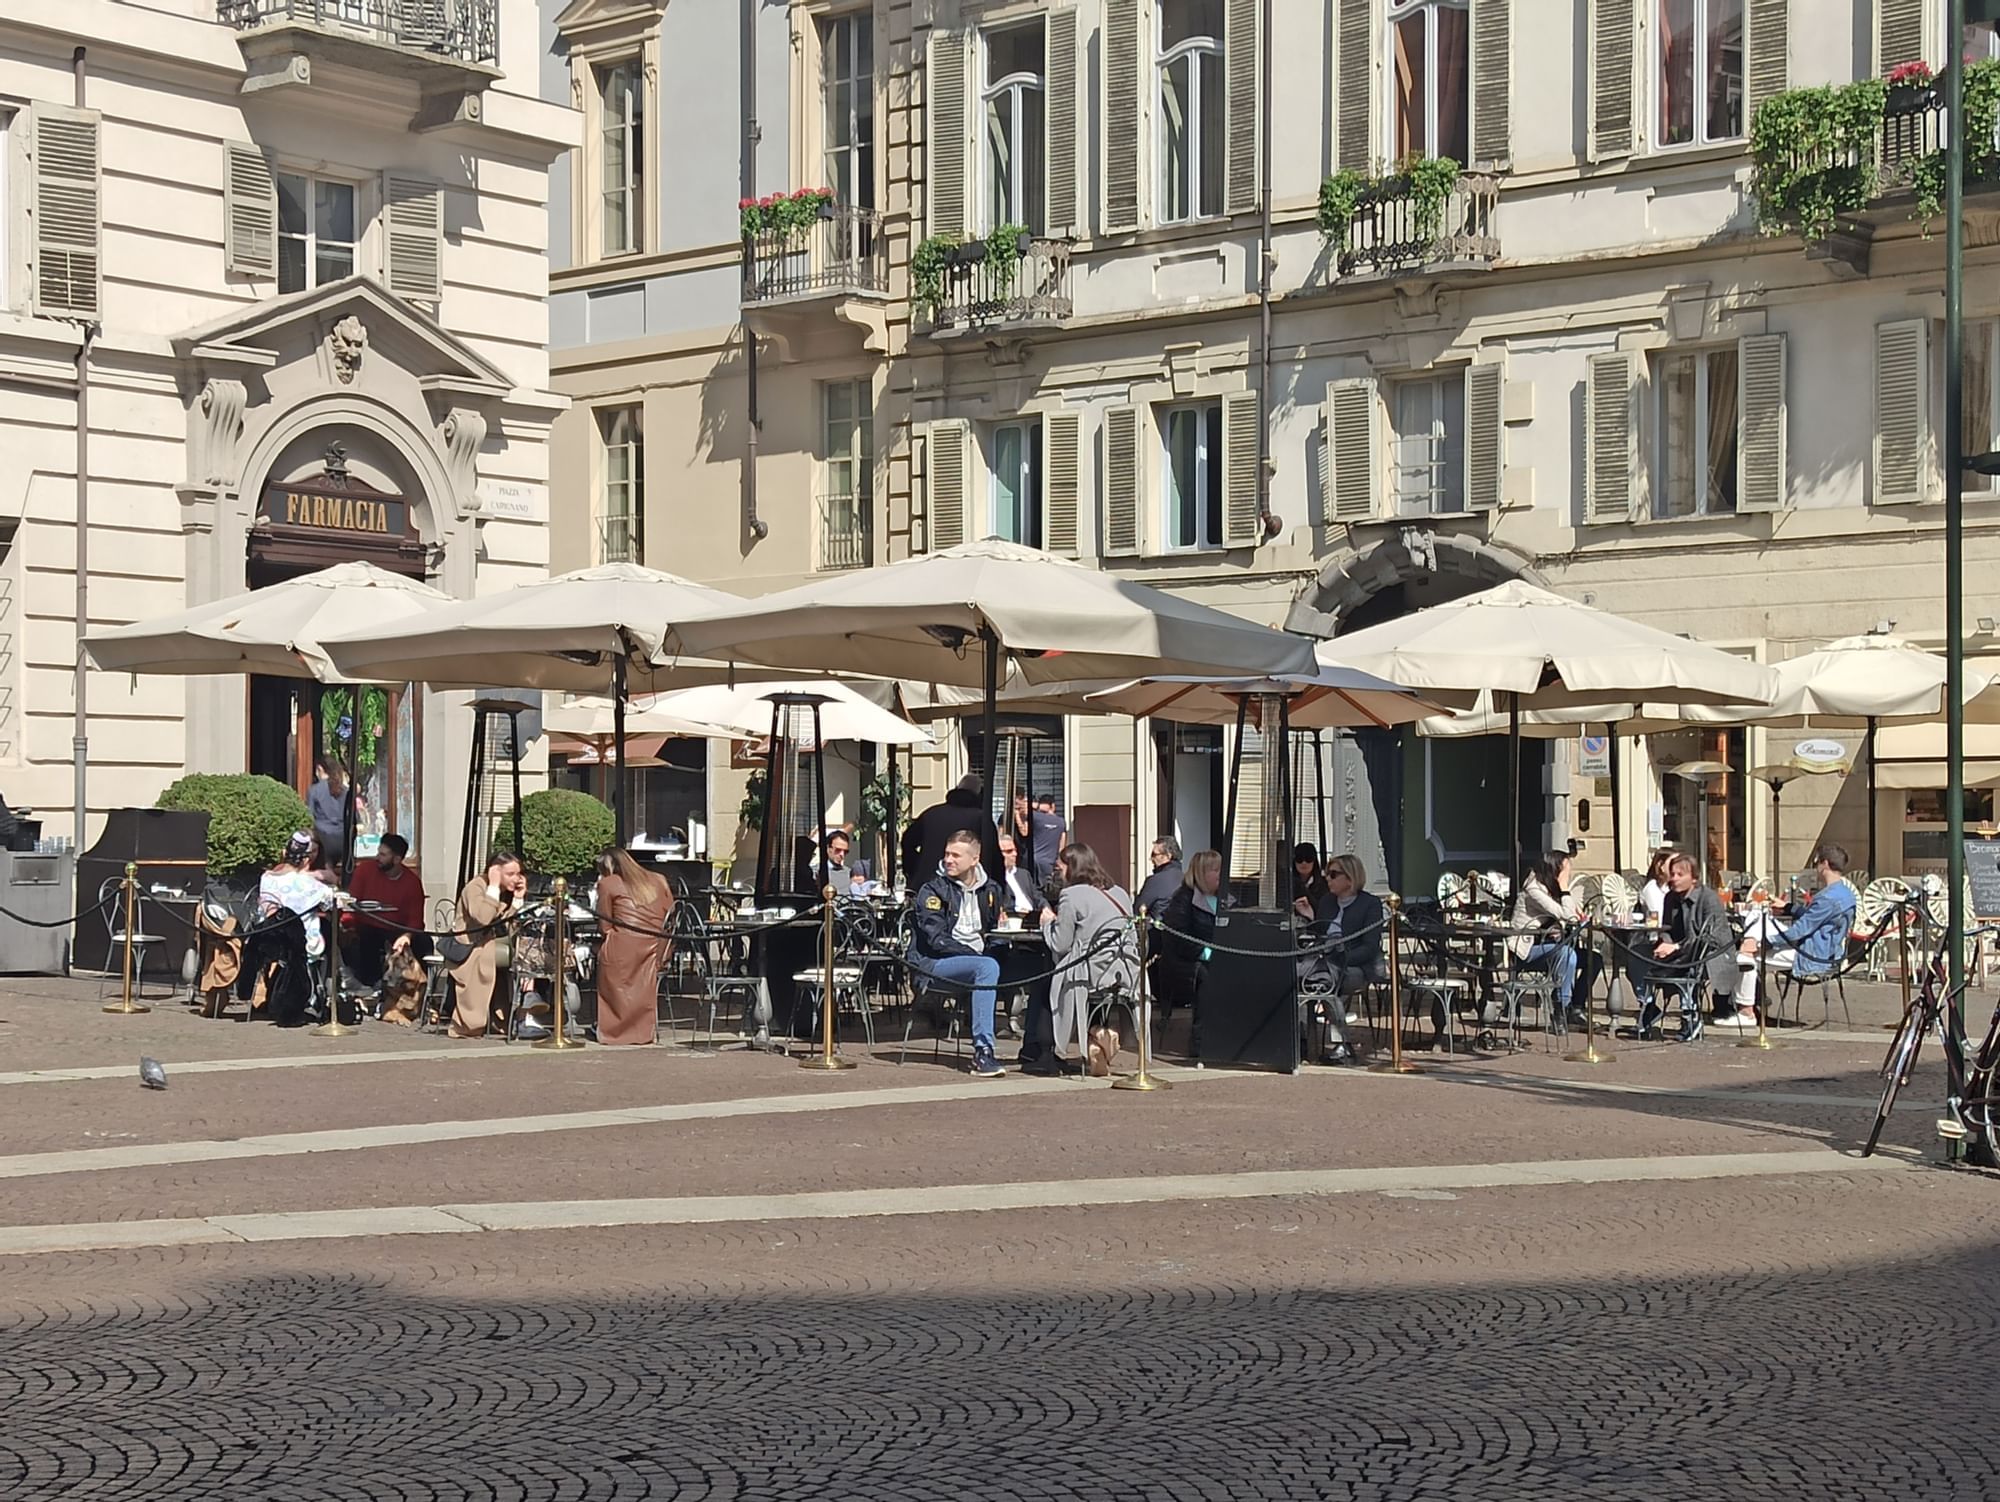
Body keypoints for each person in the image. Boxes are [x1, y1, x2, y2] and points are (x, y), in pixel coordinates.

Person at [906, 830, 1008, 1077]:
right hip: (934, 964)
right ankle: (984, 1052)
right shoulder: (932, 890)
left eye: (956, 855)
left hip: (980, 960)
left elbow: (995, 929)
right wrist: (980, 957)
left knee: (1037, 966)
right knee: (987, 968)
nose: (948, 860)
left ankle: (1040, 1050)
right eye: (947, 854)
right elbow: (937, 939)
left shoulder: (991, 890)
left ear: (975, 859)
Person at [1731, 843, 1858, 1028]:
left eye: (1817, 863)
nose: (1816, 869)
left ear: (1824, 864)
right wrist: (1788, 908)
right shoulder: (1845, 893)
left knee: (1745, 959)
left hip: (1811, 954)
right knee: (1758, 918)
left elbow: (1800, 930)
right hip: (1827, 949)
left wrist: (1766, 943)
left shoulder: (1827, 898)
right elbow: (1815, 918)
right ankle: (1758, 1001)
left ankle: (1747, 1010)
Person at [1040, 843, 1139, 1075]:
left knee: (1046, 984)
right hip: (1124, 971)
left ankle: (1050, 1051)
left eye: (1060, 868)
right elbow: (1133, 935)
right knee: (1091, 983)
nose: (1058, 873)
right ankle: (1097, 1036)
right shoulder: (1120, 893)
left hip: (1089, 972)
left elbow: (1060, 944)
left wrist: (1047, 924)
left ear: (1071, 868)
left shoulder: (1070, 895)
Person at [1645, 851, 1740, 1037]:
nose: (1674, 879)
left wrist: (1676, 947)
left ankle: (1690, 1016)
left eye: (1680, 875)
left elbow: (1712, 937)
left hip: (1713, 954)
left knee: (1691, 969)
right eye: (1672, 874)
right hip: (1681, 953)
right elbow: (1667, 929)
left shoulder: (1709, 898)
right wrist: (1665, 944)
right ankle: (1649, 1008)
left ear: (1694, 878)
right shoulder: (1670, 898)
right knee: (1642, 956)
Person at [1302, 854, 1384, 1064]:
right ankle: (1306, 1038)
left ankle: (1341, 1044)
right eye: (1326, 874)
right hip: (1326, 965)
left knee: (1322, 983)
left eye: (1333, 874)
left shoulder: (1370, 904)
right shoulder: (1327, 902)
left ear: (1350, 878)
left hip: (1357, 966)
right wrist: (1311, 917)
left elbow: (1369, 947)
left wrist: (1341, 959)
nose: (1328, 879)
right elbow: (1320, 936)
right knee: (1312, 980)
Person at [249, 831, 336, 1026]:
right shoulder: (312, 885)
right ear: (305, 860)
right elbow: (331, 902)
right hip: (302, 943)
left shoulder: (267, 878)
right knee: (326, 936)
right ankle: (317, 995)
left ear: (284, 853)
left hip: (270, 940)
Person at [593, 847, 674, 1045]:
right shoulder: (659, 879)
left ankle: (615, 1030)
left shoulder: (608, 883)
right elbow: (670, 915)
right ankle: (642, 1030)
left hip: (623, 946)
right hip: (658, 947)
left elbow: (605, 926)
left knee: (601, 956)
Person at [448, 849, 525, 1039]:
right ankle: (470, 1023)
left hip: (491, 944)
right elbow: (483, 917)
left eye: (518, 874)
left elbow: (505, 927)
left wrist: (517, 900)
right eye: (510, 874)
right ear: (495, 871)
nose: (516, 879)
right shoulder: (475, 887)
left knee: (522, 955)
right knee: (488, 957)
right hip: (469, 947)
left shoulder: (502, 892)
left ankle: (520, 1011)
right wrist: (493, 886)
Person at [1509, 849, 1586, 1029]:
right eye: (1566, 871)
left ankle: (1576, 1006)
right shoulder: (1533, 889)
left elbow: (1573, 916)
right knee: (1568, 955)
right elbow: (1566, 914)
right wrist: (1565, 887)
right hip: (1525, 950)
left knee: (1593, 959)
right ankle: (1560, 1008)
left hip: (1548, 946)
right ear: (1555, 870)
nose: (1569, 875)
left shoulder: (1552, 889)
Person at [1154, 849, 1221, 1057]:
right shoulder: (1183, 899)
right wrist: (1206, 953)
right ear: (1201, 873)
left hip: (1220, 958)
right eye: (1215, 870)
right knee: (1209, 978)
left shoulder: (1227, 898)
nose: (1220, 874)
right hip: (1186, 964)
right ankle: (1200, 1043)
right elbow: (1177, 938)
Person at [344, 832, 428, 993]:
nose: (377, 857)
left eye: (383, 855)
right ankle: (371, 986)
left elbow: (416, 919)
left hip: (397, 929)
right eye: (378, 852)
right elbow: (351, 903)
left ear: (397, 859)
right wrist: (348, 925)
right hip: (367, 925)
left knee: (423, 943)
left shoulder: (411, 882)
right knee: (366, 939)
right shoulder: (365, 871)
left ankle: (415, 989)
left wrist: (407, 937)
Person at [903, 774, 1003, 886]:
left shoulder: (931, 814)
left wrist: (916, 869)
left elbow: (907, 842)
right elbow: (995, 859)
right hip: (966, 888)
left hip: (926, 884)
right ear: (980, 794)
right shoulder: (981, 820)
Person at [308, 762, 354, 869]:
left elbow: (309, 817)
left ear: (319, 769)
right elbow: (354, 817)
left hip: (324, 842)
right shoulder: (346, 791)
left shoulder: (314, 790)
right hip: (344, 841)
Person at [1135, 835, 1184, 918]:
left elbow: (1137, 909)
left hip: (1157, 929)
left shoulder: (1155, 881)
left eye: (1154, 854)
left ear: (1168, 856)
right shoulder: (1185, 878)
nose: (1151, 859)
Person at [996, 833, 1041, 915]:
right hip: (1014, 919)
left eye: (1015, 850)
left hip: (1033, 918)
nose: (1015, 854)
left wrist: (1046, 908)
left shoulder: (1024, 874)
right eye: (1009, 851)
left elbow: (1038, 897)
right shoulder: (996, 879)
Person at [1030, 794, 1067, 880]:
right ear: (1053, 805)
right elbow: (1062, 845)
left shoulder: (1036, 817)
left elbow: (1023, 809)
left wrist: (1037, 806)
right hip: (1050, 863)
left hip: (1034, 860)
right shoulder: (1061, 822)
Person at [1288, 843, 1328, 916]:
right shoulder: (1287, 883)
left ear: (1314, 861)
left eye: (1309, 858)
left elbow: (1323, 910)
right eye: (1299, 859)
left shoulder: (1325, 883)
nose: (1304, 863)